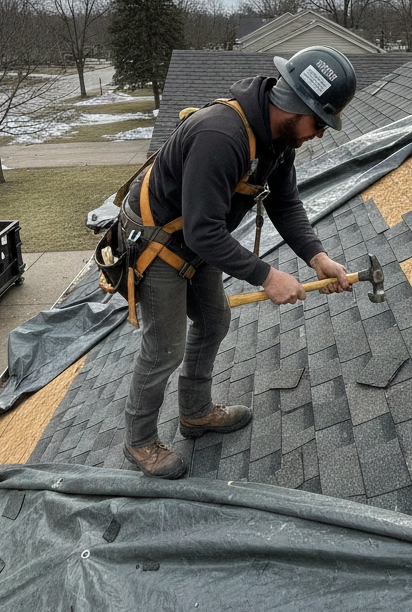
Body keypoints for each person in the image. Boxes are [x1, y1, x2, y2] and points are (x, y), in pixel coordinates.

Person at [118, 45, 358, 478]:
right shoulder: (221, 135)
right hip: (157, 240)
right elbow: (203, 232)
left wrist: (317, 255)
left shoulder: (279, 141)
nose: (320, 134)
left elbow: (285, 204)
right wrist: (266, 275)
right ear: (294, 106)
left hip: (196, 236)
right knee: (165, 345)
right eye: (319, 123)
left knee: (214, 320)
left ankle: (195, 413)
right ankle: (138, 442)